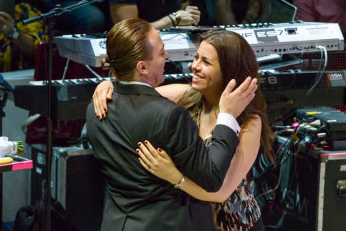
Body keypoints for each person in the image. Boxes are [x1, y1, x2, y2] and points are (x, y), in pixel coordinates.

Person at [85, 18, 259, 230]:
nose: (193, 66)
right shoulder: (186, 97)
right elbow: (135, 97)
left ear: (228, 71)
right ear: (142, 66)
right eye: (196, 57)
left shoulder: (249, 122)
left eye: (206, 62)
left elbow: (220, 192)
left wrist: (175, 177)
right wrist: (109, 84)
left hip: (233, 223)